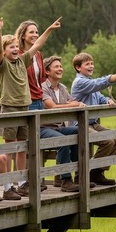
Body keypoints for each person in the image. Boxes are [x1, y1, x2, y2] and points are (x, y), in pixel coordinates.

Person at [0, 13, 61, 197]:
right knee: (9, 148)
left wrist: (49, 30)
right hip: (10, 107)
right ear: (5, 52)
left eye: (16, 47)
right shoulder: (3, 64)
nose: (15, 49)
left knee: (22, 147)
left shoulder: (23, 60)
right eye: (11, 47)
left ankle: (22, 182)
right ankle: (7, 187)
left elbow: (38, 44)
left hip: (25, 107)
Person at [71, 52, 116, 185]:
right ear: (78, 67)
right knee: (107, 141)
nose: (91, 66)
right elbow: (100, 83)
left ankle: (97, 173)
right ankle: (87, 173)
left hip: (93, 123)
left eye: (91, 63)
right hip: (80, 124)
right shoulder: (80, 82)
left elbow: (99, 96)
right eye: (87, 64)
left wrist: (107, 99)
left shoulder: (89, 82)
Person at [41, 56, 87, 192]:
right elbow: (51, 107)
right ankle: (65, 180)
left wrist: (68, 104)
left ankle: (78, 176)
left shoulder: (62, 88)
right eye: (56, 66)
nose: (60, 69)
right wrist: (68, 104)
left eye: (61, 66)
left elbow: (74, 102)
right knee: (62, 140)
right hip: (43, 128)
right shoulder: (42, 88)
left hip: (59, 127)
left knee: (81, 132)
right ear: (47, 71)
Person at [15, 20, 46, 111]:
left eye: (36, 32)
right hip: (27, 101)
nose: (35, 35)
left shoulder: (38, 54)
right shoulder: (18, 55)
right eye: (31, 32)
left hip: (40, 99)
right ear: (23, 35)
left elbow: (42, 78)